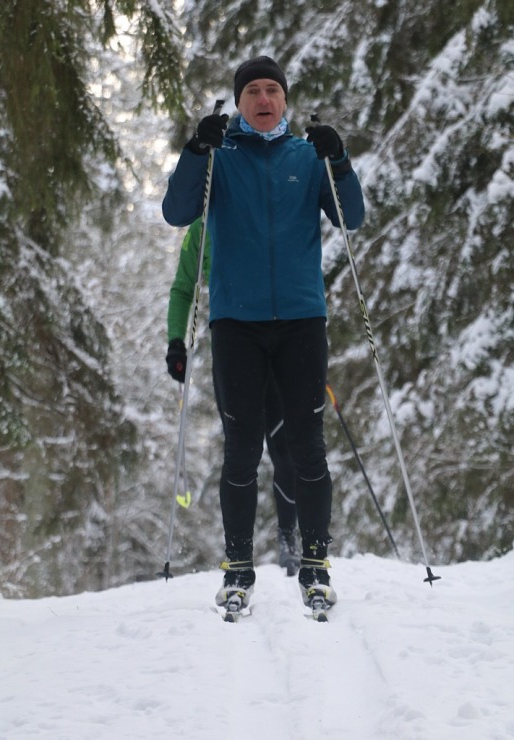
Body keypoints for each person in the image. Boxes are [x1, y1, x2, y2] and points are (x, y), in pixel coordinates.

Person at [163, 55, 365, 614]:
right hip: (236, 325)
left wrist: (339, 158)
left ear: (284, 100)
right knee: (241, 450)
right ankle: (238, 568)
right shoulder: (219, 160)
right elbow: (178, 213)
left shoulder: (306, 156)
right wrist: (196, 150)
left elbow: (352, 218)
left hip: (302, 321)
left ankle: (316, 564)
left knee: (307, 445)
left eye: (272, 89)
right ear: (239, 102)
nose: (263, 98)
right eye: (252, 90)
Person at [165, 217, 301, 575]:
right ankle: (240, 552)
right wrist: (176, 342)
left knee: (285, 447)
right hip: (234, 351)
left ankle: (289, 536)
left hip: (279, 342)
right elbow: (184, 288)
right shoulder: (203, 227)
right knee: (241, 451)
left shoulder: (259, 209)